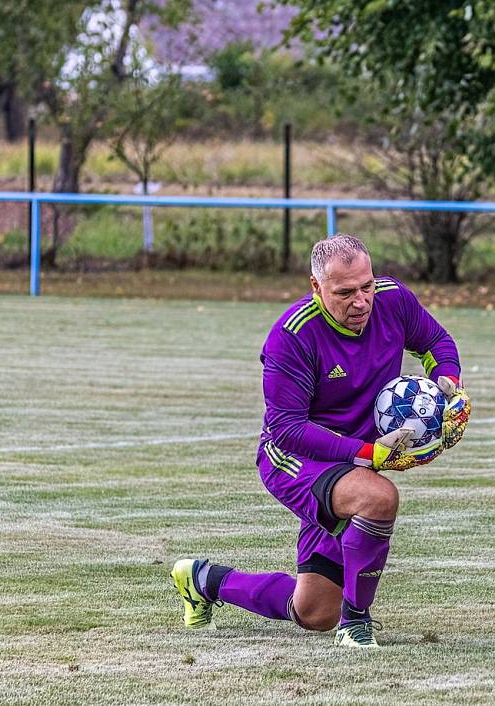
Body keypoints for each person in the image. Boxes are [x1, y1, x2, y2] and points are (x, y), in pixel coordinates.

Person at [171, 234, 471, 647]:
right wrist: (367, 453)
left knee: (312, 613)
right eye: (345, 292)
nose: (361, 301)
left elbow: (436, 342)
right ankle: (357, 624)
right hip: (293, 457)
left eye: (366, 286)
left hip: (351, 458)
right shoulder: (291, 336)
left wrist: (448, 385)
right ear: (317, 288)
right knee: (378, 498)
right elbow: (287, 427)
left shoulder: (394, 300)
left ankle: (203, 579)